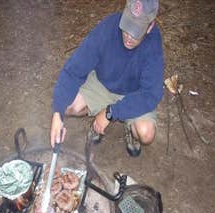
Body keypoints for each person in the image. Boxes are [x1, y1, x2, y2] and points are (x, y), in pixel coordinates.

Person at [50, 0, 164, 157]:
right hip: (103, 84)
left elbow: (151, 94)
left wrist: (111, 112)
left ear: (150, 27)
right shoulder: (108, 27)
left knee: (146, 133)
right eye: (127, 27)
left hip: (133, 93)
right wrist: (58, 112)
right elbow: (74, 69)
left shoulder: (153, 44)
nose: (129, 37)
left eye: (136, 32)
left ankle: (128, 127)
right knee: (68, 105)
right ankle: (97, 119)